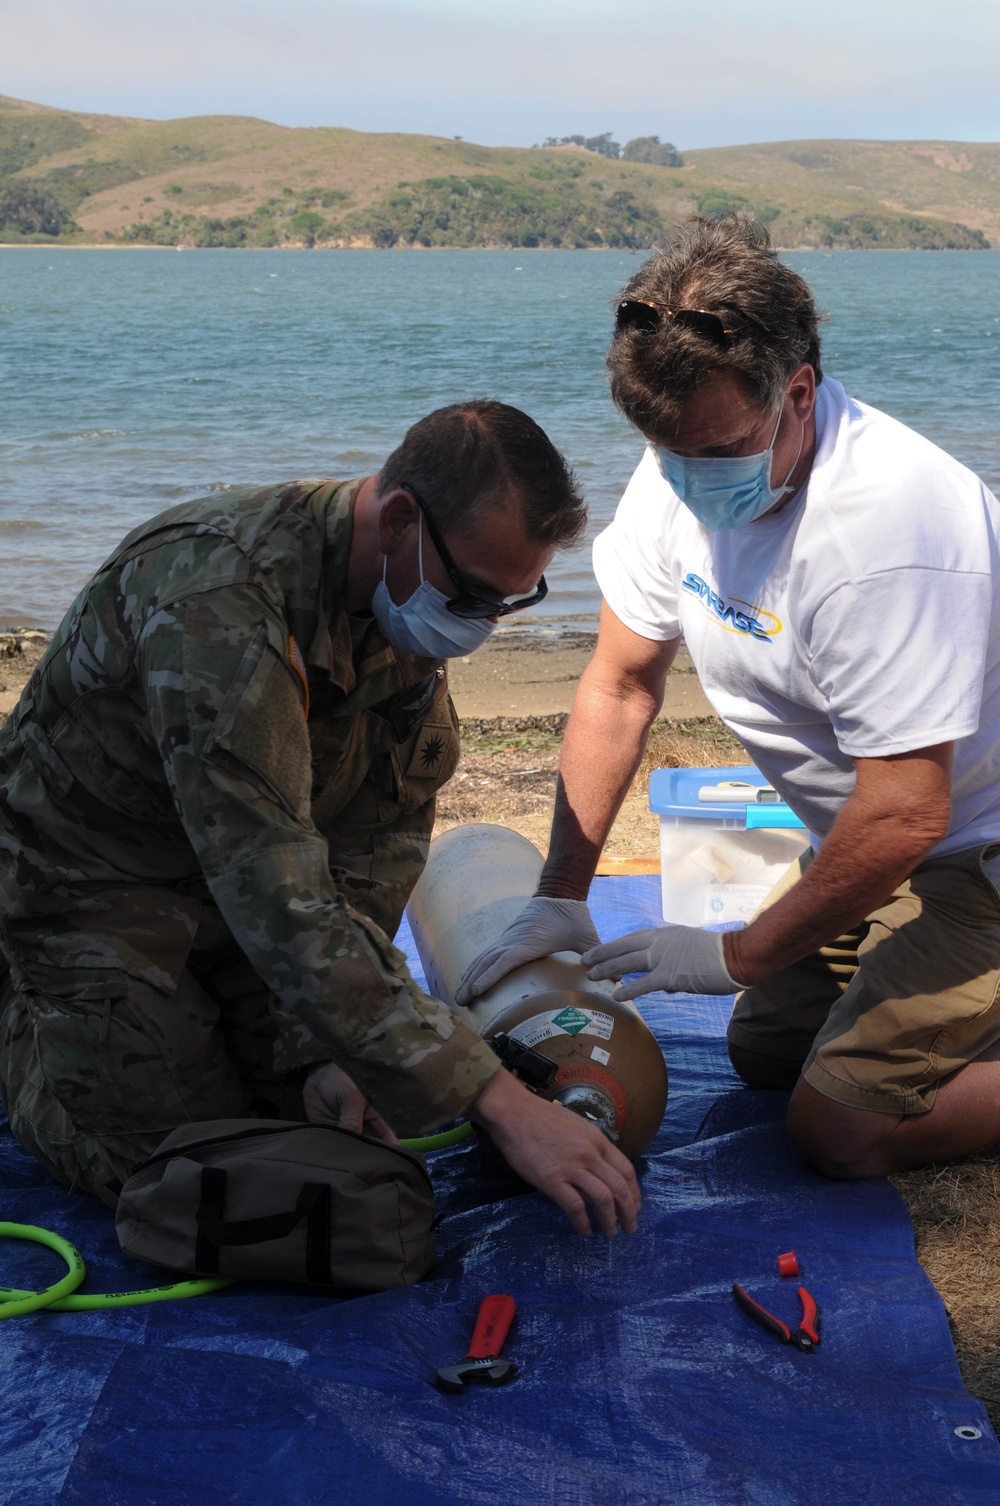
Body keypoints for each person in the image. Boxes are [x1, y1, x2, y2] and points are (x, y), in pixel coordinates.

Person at [0, 399, 640, 1239]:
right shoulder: (220, 602)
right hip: (90, 885)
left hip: (241, 894)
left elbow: (377, 847)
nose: (484, 626)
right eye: (478, 595)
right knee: (183, 1167)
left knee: (327, 1116)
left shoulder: (402, 597)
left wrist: (337, 1047)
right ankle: (24, 1019)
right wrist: (496, 1100)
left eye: (513, 604)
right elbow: (279, 899)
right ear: (403, 518)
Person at [458, 218, 1000, 1182]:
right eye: (663, 448)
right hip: (880, 837)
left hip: (973, 848)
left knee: (840, 1134)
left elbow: (909, 810)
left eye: (715, 448)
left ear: (797, 392)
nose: (686, 476)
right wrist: (560, 897)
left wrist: (737, 955)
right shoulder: (688, 452)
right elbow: (622, 684)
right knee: (763, 1056)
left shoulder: (888, 534)